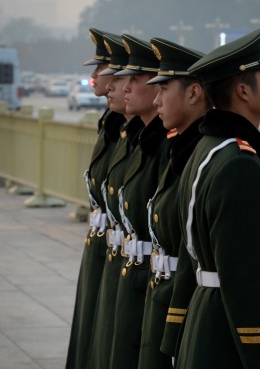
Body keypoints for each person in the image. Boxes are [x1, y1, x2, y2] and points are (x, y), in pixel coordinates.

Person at [175, 25, 260, 368]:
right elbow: (248, 281)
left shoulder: (209, 148)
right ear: (243, 90)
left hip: (209, 318)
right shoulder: (239, 165)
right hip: (229, 339)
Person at [139, 37, 209, 368]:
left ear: (194, 93)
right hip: (163, 288)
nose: (156, 100)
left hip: (187, 299)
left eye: (163, 89)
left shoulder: (204, 156)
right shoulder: (182, 150)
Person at [105, 33, 168, 369]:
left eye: (133, 79)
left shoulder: (166, 147)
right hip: (131, 262)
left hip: (151, 272)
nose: (123, 87)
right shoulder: (135, 137)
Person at [65, 28, 126, 369]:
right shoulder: (112, 122)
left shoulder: (129, 129)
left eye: (100, 70)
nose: (93, 78)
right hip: (105, 241)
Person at [88, 33, 145, 369]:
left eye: (126, 78)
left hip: (141, 266)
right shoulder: (117, 129)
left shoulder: (151, 142)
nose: (106, 82)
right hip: (117, 252)